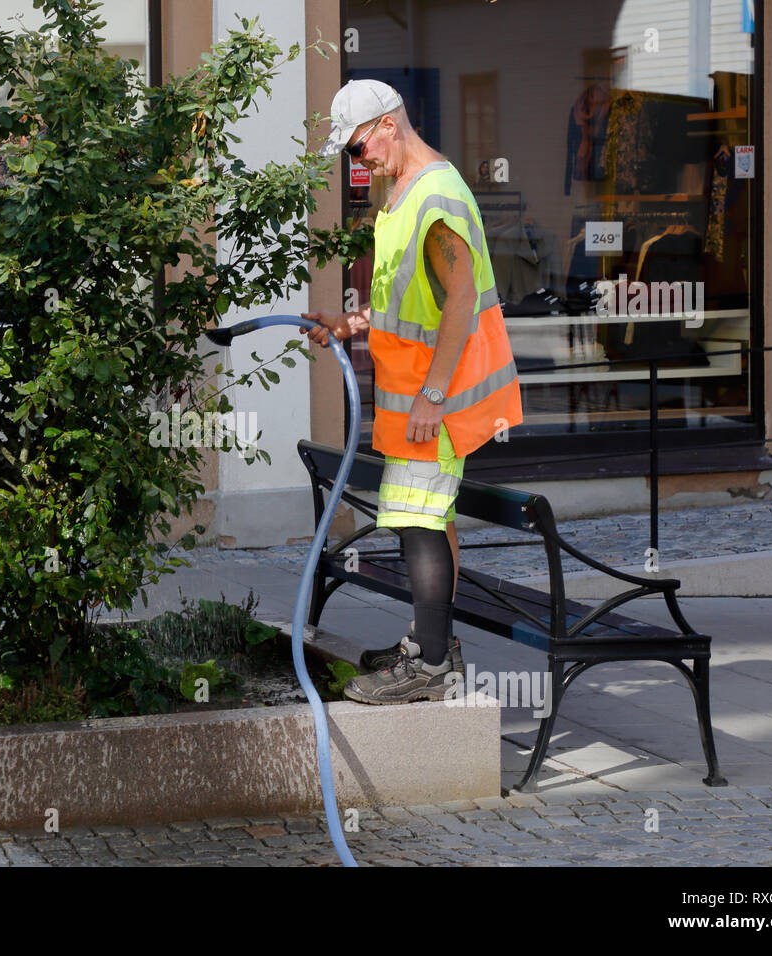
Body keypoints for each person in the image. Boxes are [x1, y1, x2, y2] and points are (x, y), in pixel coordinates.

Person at [302, 79, 523, 704]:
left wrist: (431, 395)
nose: (356, 161)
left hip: (436, 404)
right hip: (417, 401)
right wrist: (352, 323)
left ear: (388, 126)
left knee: (415, 521)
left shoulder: (438, 197)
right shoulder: (400, 191)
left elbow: (459, 302)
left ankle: (429, 667)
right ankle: (433, 647)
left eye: (356, 147)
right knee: (432, 519)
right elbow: (412, 300)